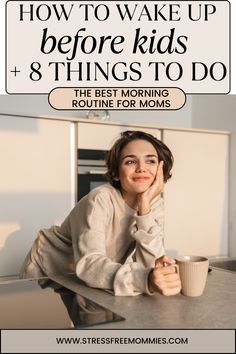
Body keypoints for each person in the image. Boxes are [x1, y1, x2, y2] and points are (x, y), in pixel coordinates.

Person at [20, 130, 181, 297]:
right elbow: (90, 264)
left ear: (160, 169)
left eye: (151, 161)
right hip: (49, 271)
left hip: (86, 279)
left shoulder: (153, 204)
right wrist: (144, 279)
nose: (142, 168)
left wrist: (144, 207)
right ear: (116, 173)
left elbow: (149, 266)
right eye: (131, 161)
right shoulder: (100, 199)